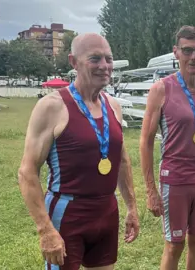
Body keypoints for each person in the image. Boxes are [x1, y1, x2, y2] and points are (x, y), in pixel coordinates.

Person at [18, 33, 139, 270]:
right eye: (95, 59)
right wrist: (45, 229)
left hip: (106, 211)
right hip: (68, 213)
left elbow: (122, 160)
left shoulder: (113, 106)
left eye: (108, 59)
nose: (104, 66)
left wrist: (132, 208)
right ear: (74, 62)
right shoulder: (52, 106)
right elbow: (27, 173)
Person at [140, 25, 195, 270]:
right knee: (174, 245)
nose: (193, 57)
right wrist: (151, 191)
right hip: (175, 180)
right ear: (175, 52)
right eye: (187, 51)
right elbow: (146, 142)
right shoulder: (161, 89)